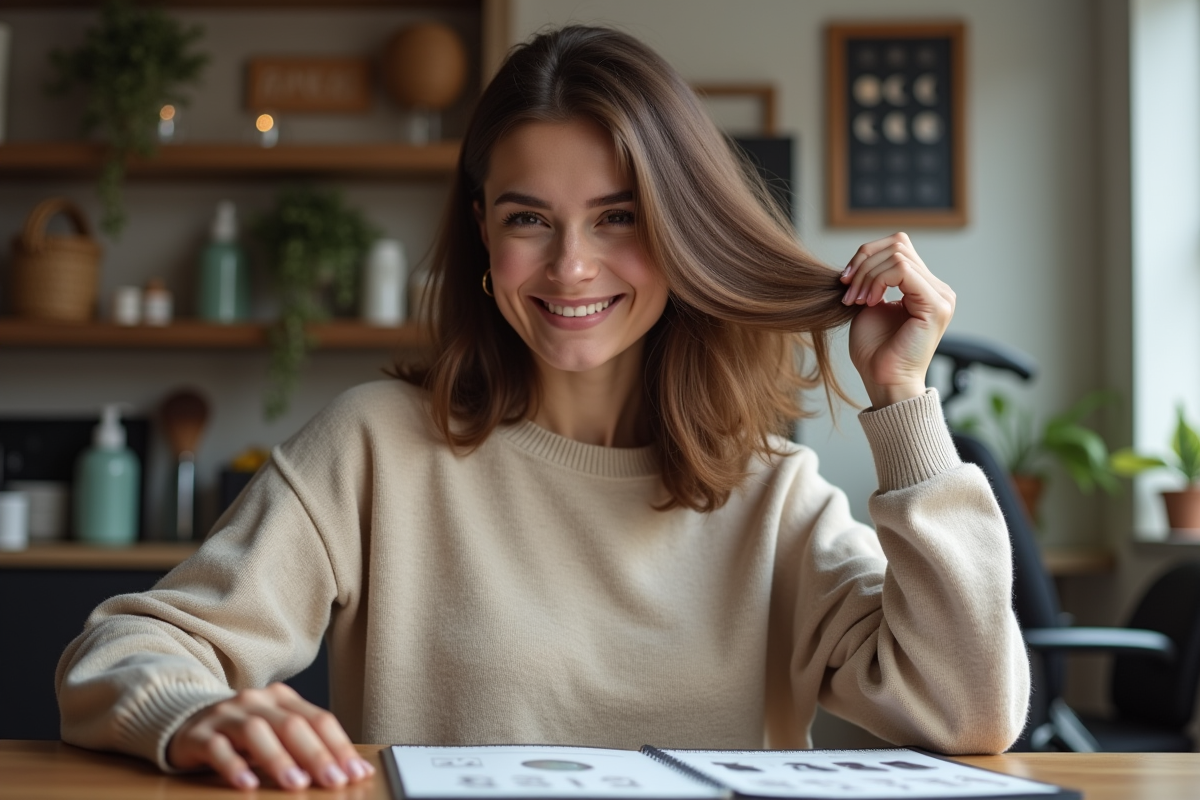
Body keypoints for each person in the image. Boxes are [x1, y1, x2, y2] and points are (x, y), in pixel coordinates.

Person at [57, 25, 1029, 793]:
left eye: (619, 217)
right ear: (482, 230)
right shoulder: (376, 444)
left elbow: (971, 711)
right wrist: (190, 712)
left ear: (682, 230)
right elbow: (128, 649)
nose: (571, 266)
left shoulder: (776, 498)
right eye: (530, 218)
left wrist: (901, 401)